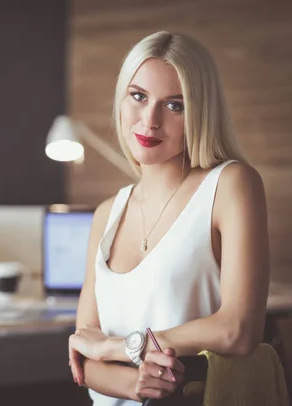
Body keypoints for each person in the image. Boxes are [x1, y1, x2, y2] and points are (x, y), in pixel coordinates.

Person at [67, 31, 270, 405]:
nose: (150, 120)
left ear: (200, 111)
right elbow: (84, 355)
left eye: (174, 105)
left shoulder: (230, 185)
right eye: (138, 97)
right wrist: (136, 384)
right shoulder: (105, 215)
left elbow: (239, 330)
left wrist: (123, 347)